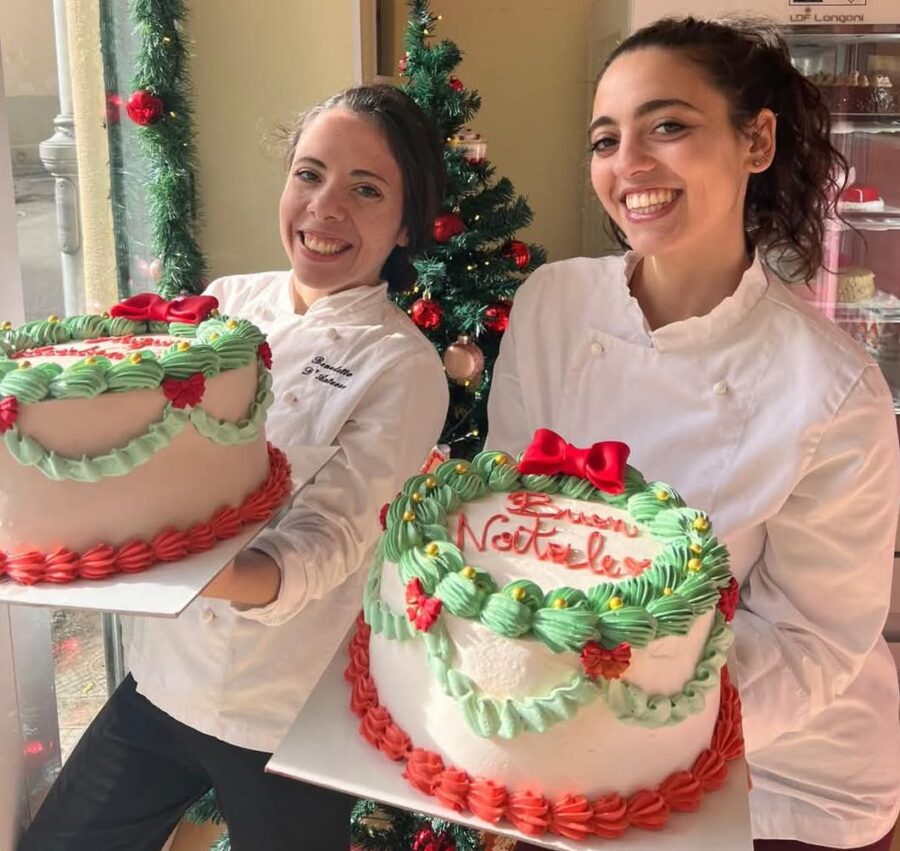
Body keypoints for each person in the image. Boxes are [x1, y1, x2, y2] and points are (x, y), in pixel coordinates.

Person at [487, 17, 900, 851]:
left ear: (757, 141)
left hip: (790, 777)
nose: (629, 164)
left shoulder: (832, 389)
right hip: (583, 739)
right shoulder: (553, 307)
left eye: (668, 125)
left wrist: (617, 717)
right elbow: (516, 519)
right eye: (607, 138)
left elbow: (808, 642)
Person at [20, 85, 449, 851]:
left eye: (366, 189)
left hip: (280, 707)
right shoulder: (226, 304)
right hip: (163, 679)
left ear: (407, 221)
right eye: (310, 174)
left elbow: (334, 538)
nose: (325, 208)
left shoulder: (403, 367)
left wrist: (195, 563)